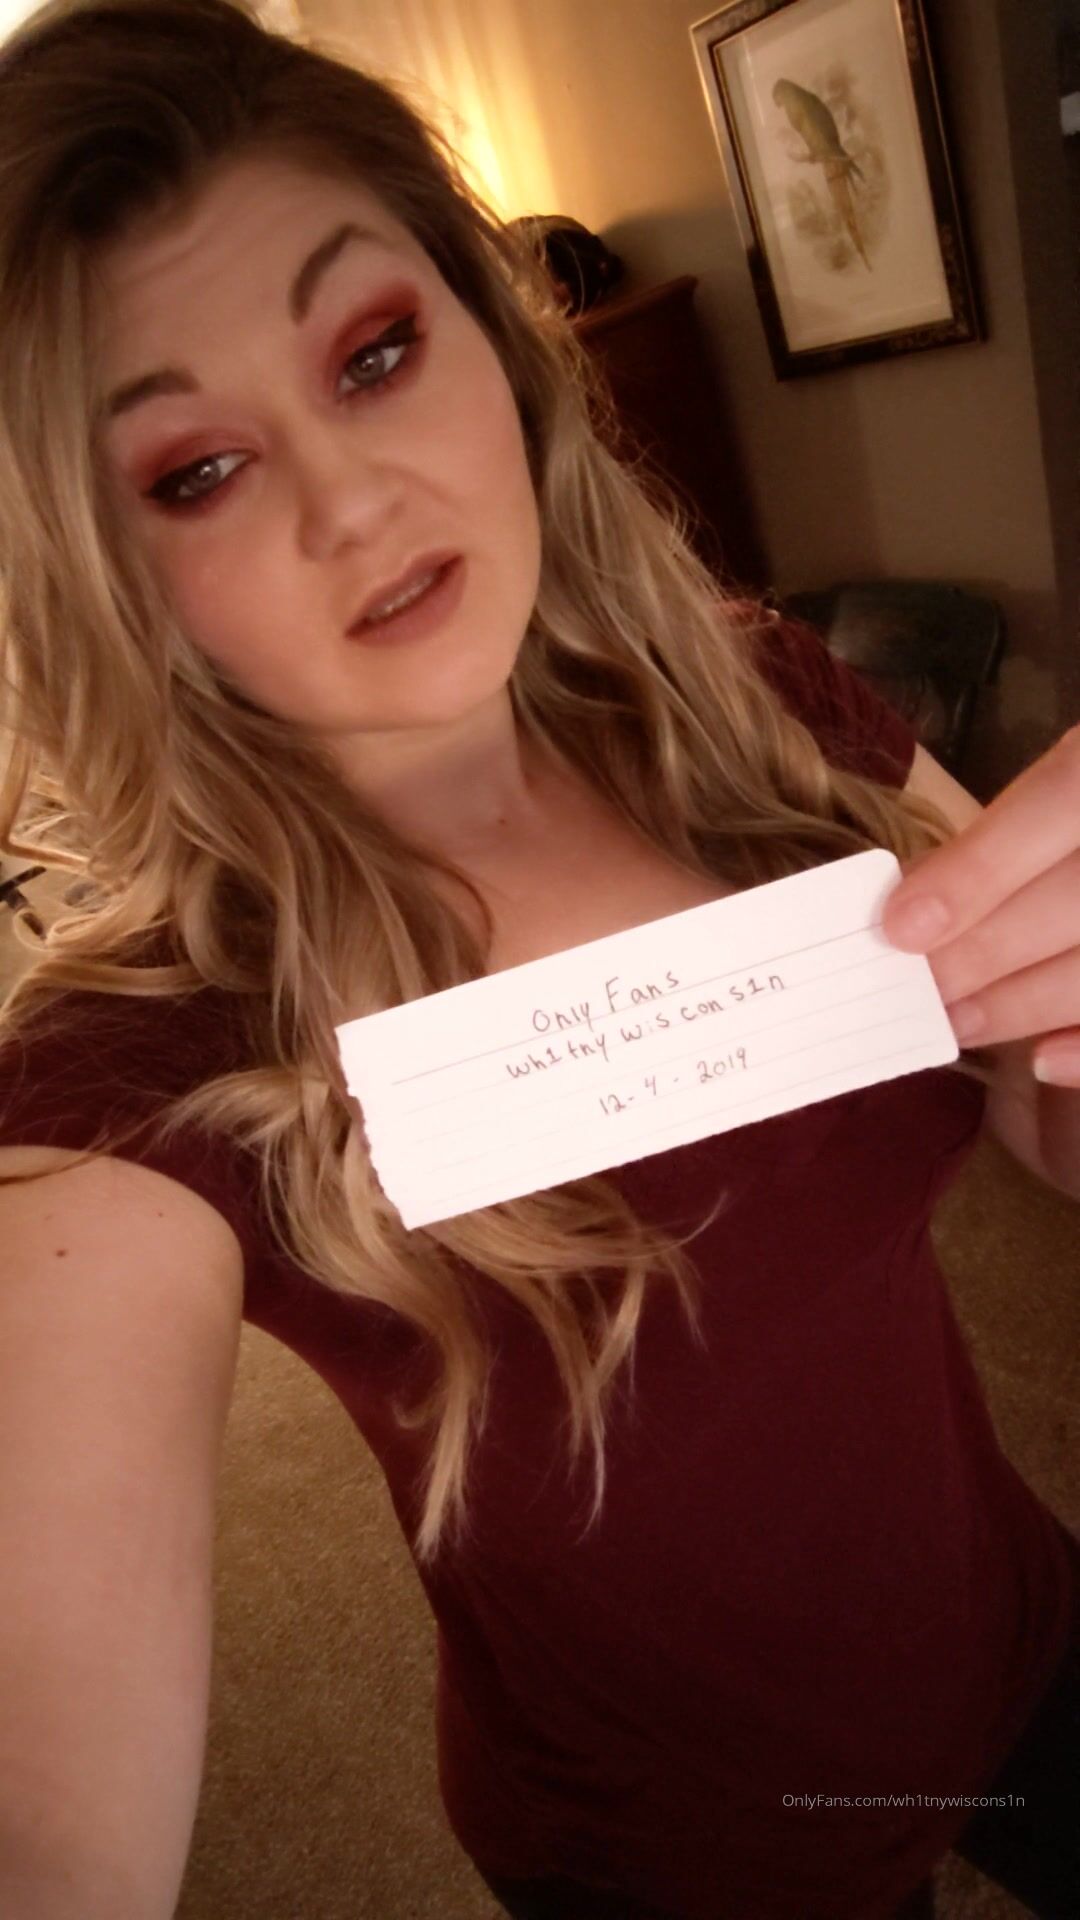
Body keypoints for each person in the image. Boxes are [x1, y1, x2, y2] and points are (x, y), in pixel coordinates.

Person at [0, 4, 1077, 1917]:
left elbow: (1034, 1102)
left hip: (1023, 1638)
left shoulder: (749, 701)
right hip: (684, 1858)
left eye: (375, 353)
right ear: (100, 571)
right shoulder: (137, 1072)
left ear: (492, 342)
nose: (355, 502)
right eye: (195, 470)